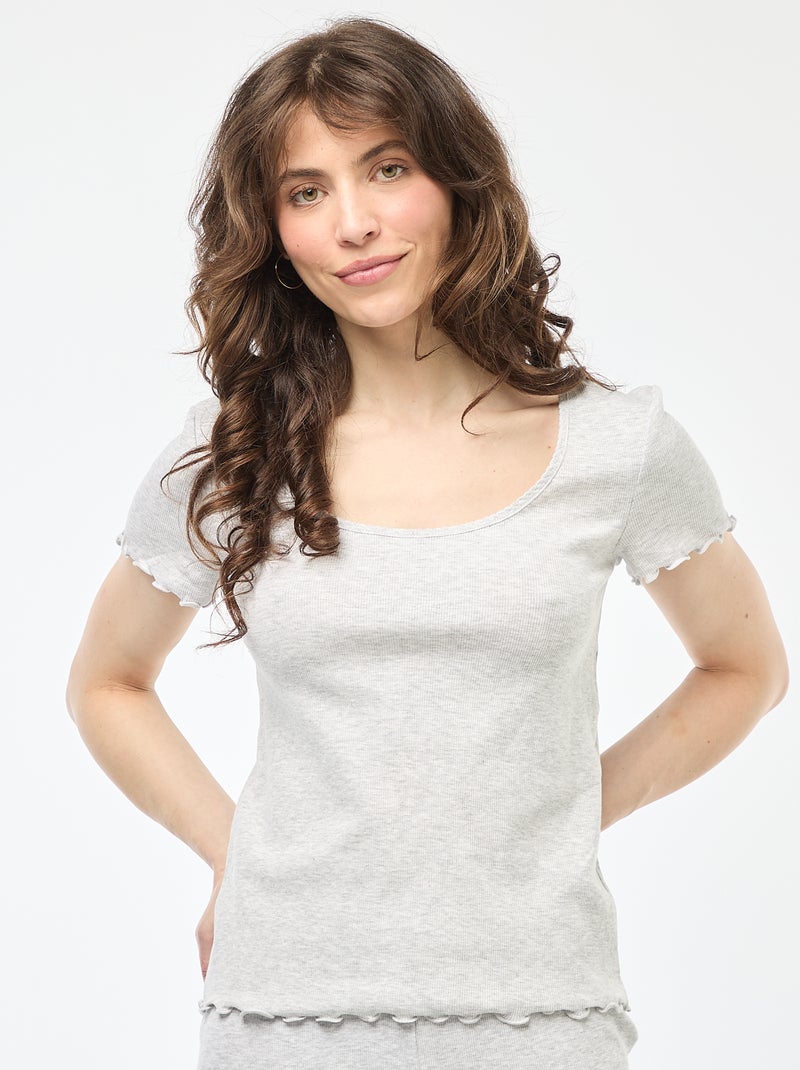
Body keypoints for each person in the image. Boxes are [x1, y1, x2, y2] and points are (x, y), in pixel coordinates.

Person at [65, 16, 789, 1070]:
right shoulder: (234, 454)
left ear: (456, 181)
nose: (353, 223)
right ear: (273, 232)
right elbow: (107, 682)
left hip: (542, 1011)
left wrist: (570, 809)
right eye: (305, 191)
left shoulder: (616, 447)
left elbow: (744, 667)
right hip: (282, 1012)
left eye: (387, 168)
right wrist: (236, 852)